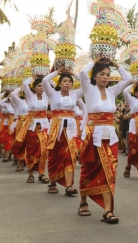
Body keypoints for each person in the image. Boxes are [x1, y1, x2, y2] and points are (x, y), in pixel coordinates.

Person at [77, 57, 131, 224]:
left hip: (110, 136)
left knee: (110, 172)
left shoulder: (112, 91)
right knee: (89, 169)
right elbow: (81, 73)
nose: (106, 77)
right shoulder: (89, 89)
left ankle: (107, 211)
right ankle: (83, 201)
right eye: (102, 74)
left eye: (108, 74)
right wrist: (95, 61)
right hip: (93, 135)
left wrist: (116, 65)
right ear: (95, 76)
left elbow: (128, 79)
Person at [42, 67, 82, 195]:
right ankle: (53, 181)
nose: (67, 83)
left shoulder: (75, 94)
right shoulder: (53, 93)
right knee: (55, 155)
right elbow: (44, 80)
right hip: (56, 127)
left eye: (69, 81)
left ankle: (69, 186)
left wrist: (72, 73)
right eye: (64, 81)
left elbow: (88, 84)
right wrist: (57, 71)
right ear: (59, 83)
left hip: (70, 127)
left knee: (70, 155)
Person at [17, 77, 50, 184]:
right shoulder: (30, 96)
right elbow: (25, 84)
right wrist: (34, 77)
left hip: (44, 126)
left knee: (44, 150)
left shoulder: (46, 96)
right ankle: (30, 173)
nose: (41, 88)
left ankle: (41, 173)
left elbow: (54, 84)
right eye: (39, 86)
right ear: (34, 88)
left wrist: (45, 77)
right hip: (32, 127)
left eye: (43, 86)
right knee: (31, 150)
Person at [10, 87, 29, 172]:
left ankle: (30, 164)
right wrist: (21, 87)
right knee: (20, 143)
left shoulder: (37, 101)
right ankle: (20, 163)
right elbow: (13, 95)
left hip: (31, 124)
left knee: (30, 143)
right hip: (21, 124)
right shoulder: (20, 102)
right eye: (26, 93)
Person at [0, 92, 14, 161]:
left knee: (13, 140)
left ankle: (11, 155)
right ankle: (6, 155)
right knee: (6, 140)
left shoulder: (18, 104)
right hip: (6, 124)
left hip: (15, 123)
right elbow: (0, 103)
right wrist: (6, 94)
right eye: (10, 97)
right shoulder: (7, 104)